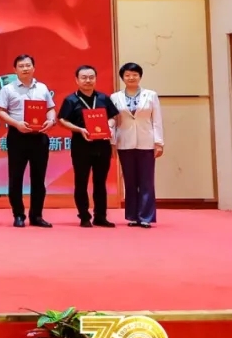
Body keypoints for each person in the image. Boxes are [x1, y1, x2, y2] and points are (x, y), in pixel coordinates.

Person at [0, 54, 56, 228]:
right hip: (17, 136)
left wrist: (51, 120)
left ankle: (36, 215)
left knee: (39, 178)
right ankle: (18, 215)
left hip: (39, 136)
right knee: (16, 177)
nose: (25, 68)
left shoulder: (42, 88)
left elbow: (51, 108)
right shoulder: (8, 89)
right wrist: (16, 124)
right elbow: (0, 110)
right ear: (15, 70)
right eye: (21, 66)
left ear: (34, 68)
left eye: (28, 65)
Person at [58, 65, 120, 228]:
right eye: (84, 77)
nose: (88, 80)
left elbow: (113, 116)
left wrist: (109, 124)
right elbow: (62, 119)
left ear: (95, 79)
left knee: (100, 181)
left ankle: (100, 216)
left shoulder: (103, 98)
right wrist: (79, 129)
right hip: (81, 145)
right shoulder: (70, 100)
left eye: (91, 77)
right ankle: (84, 216)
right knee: (81, 181)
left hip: (102, 145)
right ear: (77, 80)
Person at [110, 62, 163, 228]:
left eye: (134, 75)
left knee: (146, 181)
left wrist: (159, 142)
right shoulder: (115, 97)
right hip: (124, 142)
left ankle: (146, 217)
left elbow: (157, 120)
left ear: (140, 76)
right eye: (127, 75)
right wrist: (112, 142)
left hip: (146, 142)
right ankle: (132, 216)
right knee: (130, 181)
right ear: (122, 78)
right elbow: (113, 121)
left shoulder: (151, 95)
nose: (131, 78)